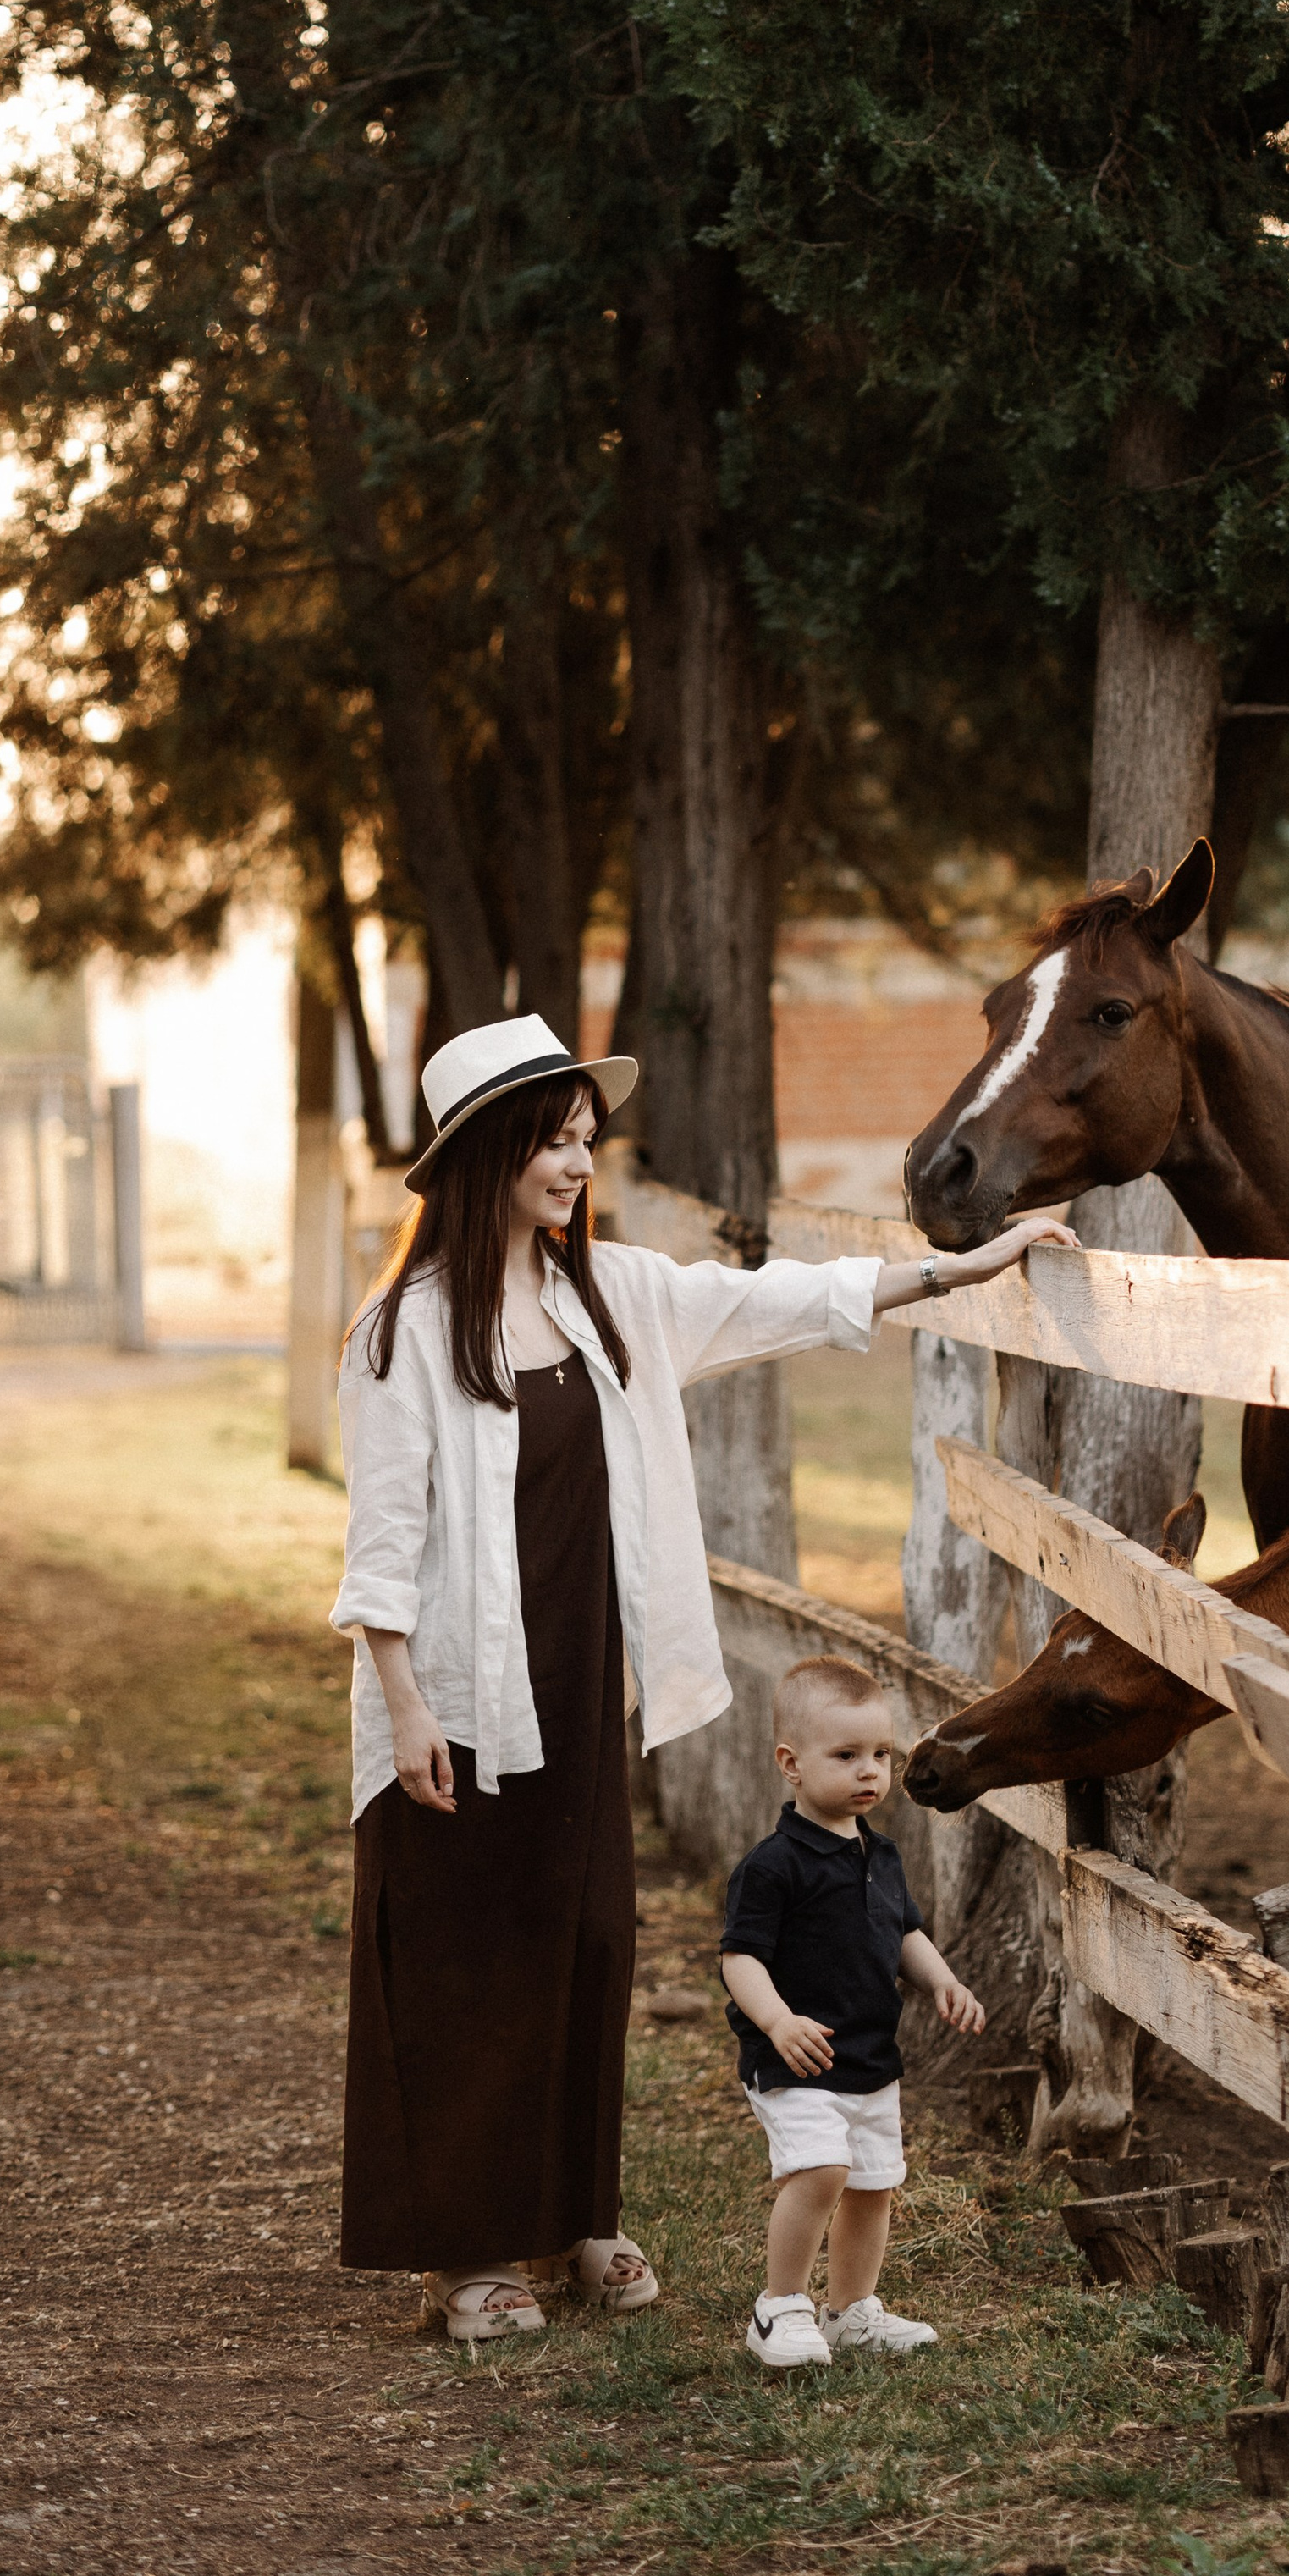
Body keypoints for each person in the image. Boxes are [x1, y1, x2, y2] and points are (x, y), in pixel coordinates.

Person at [330, 1010, 1072, 2342]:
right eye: (555, 1143)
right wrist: (405, 1704)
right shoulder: (405, 1333)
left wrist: (961, 1268)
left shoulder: (614, 1295)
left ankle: (573, 2220)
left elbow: (781, 1298)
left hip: (580, 1684)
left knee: (583, 1951)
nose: (578, 1165)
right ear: (489, 1153)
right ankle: (466, 2255)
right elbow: (382, 1544)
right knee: (464, 1964)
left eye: (585, 1140)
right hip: (454, 1701)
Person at [719, 1654, 986, 2370]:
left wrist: (942, 1982)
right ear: (792, 1764)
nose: (870, 1771)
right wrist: (778, 2021)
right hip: (798, 2059)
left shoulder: (882, 1854)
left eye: (881, 1754)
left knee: (873, 2185)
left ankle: (850, 2313)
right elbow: (740, 1958)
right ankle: (779, 2308)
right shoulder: (773, 1865)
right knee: (821, 2171)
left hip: (871, 2059)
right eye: (846, 1755)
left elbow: (904, 1933)